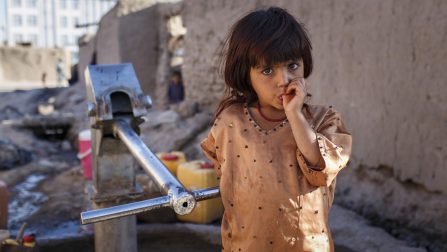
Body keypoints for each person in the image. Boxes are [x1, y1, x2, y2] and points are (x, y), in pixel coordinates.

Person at [200, 7, 352, 252]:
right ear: (245, 75)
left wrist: (294, 115)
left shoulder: (324, 120)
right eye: (267, 70)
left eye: (292, 65)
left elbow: (321, 169)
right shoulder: (230, 121)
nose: (283, 80)